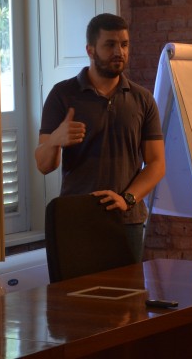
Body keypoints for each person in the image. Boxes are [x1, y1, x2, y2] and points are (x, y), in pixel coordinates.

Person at [35, 13, 165, 261]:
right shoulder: (62, 95)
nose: (119, 51)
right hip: (76, 221)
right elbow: (43, 165)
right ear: (91, 50)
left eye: (124, 44)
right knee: (75, 297)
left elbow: (157, 163)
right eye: (110, 45)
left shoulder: (142, 99)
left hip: (126, 222)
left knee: (127, 298)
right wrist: (54, 140)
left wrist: (127, 199)